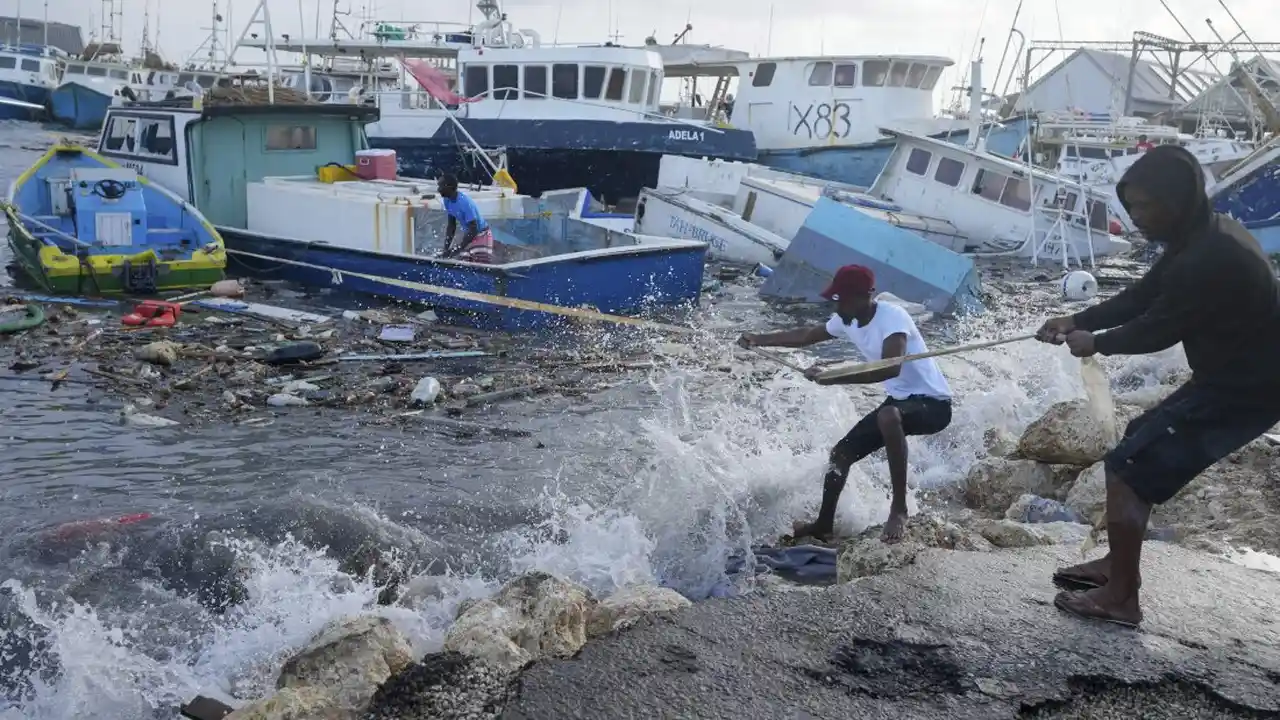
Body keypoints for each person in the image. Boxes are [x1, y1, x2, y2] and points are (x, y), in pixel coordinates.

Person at [1037, 144, 1280, 628]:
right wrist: (1075, 318)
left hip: (1250, 387)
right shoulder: (1201, 236)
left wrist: (1094, 342)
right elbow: (1142, 296)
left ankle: (1122, 598)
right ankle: (1115, 566)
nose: (1137, 217)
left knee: (1127, 467)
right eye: (1132, 207)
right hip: (1234, 375)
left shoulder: (1208, 256)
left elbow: (1157, 329)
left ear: (1178, 198)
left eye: (1145, 206)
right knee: (1135, 442)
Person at [738, 265, 953, 543]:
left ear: (867, 296)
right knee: (840, 455)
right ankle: (824, 524)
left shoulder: (893, 318)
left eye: (844, 299)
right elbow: (806, 336)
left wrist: (834, 377)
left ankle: (899, 509)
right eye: (837, 299)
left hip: (934, 405)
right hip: (901, 403)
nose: (838, 305)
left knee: (888, 416)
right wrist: (759, 339)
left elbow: (890, 368)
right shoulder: (846, 319)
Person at [438, 175, 494, 263]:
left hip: (482, 235)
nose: (438, 189)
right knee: (462, 263)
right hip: (469, 235)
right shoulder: (447, 200)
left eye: (441, 186)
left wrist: (458, 249)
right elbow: (451, 226)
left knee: (481, 265)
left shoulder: (465, 203)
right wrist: (446, 249)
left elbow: (474, 229)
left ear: (449, 187)